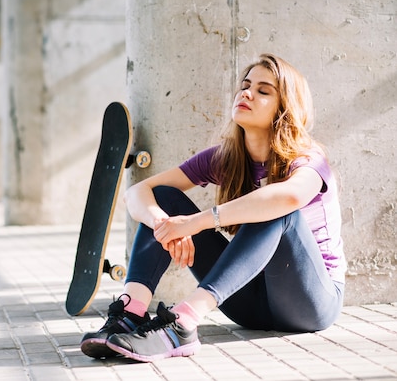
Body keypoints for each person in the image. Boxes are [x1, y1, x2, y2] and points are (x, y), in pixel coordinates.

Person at [80, 54, 346, 362]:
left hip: (310, 303)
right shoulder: (226, 158)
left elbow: (288, 198)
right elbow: (139, 192)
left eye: (263, 90)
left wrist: (196, 223)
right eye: (245, 86)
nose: (246, 93)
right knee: (164, 196)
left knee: (275, 207)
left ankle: (182, 323)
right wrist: (163, 224)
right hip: (248, 303)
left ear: (284, 107)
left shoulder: (308, 159)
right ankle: (130, 315)